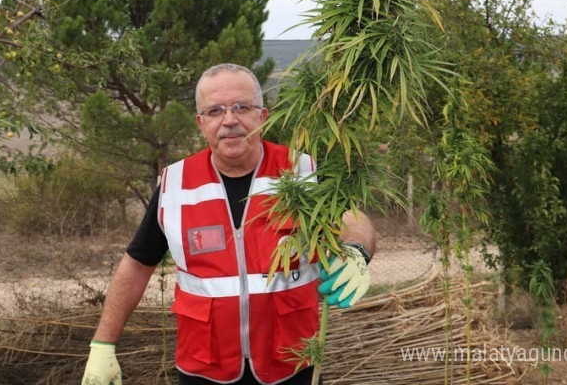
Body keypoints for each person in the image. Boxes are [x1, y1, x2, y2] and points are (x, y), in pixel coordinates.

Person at [81, 64, 375, 385]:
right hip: (204, 370)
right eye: (215, 110)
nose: (230, 119)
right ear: (201, 123)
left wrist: (357, 250)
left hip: (292, 365)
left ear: (263, 116)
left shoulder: (301, 171)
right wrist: (102, 344)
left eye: (242, 107)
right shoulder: (175, 185)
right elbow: (137, 265)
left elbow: (353, 218)